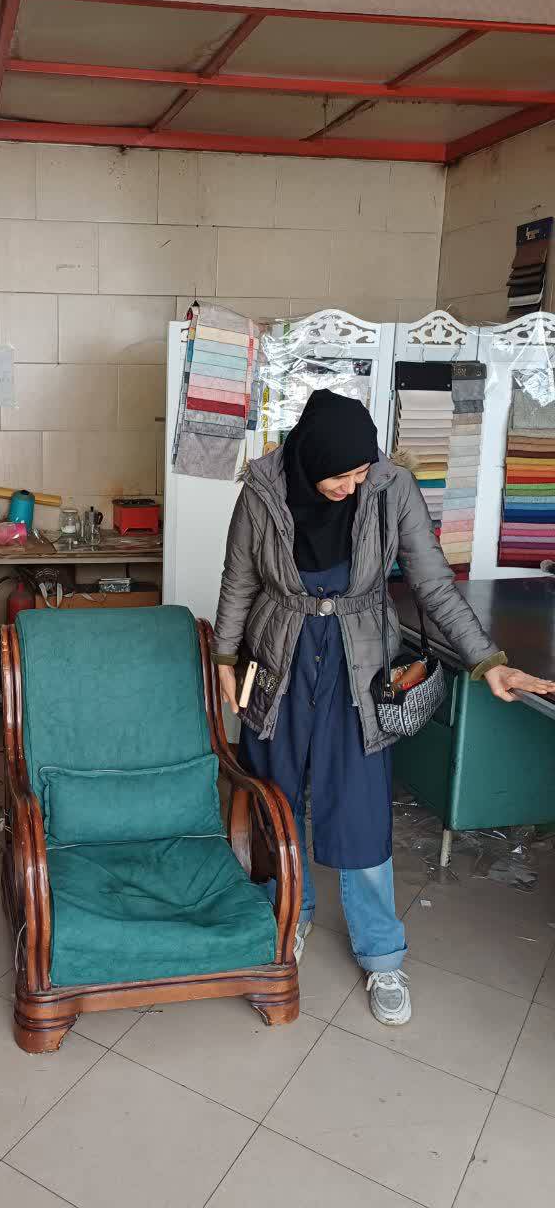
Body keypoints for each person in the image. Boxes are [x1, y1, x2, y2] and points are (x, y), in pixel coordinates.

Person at [213, 390, 555, 1027]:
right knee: (275, 801)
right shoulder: (262, 489)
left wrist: (488, 661)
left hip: (358, 661)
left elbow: (433, 583)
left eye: (360, 470)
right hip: (281, 657)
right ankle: (289, 917)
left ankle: (381, 953)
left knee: (361, 808)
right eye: (339, 475)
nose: (352, 485)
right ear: (310, 460)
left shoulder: (390, 488)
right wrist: (226, 659)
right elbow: (240, 580)